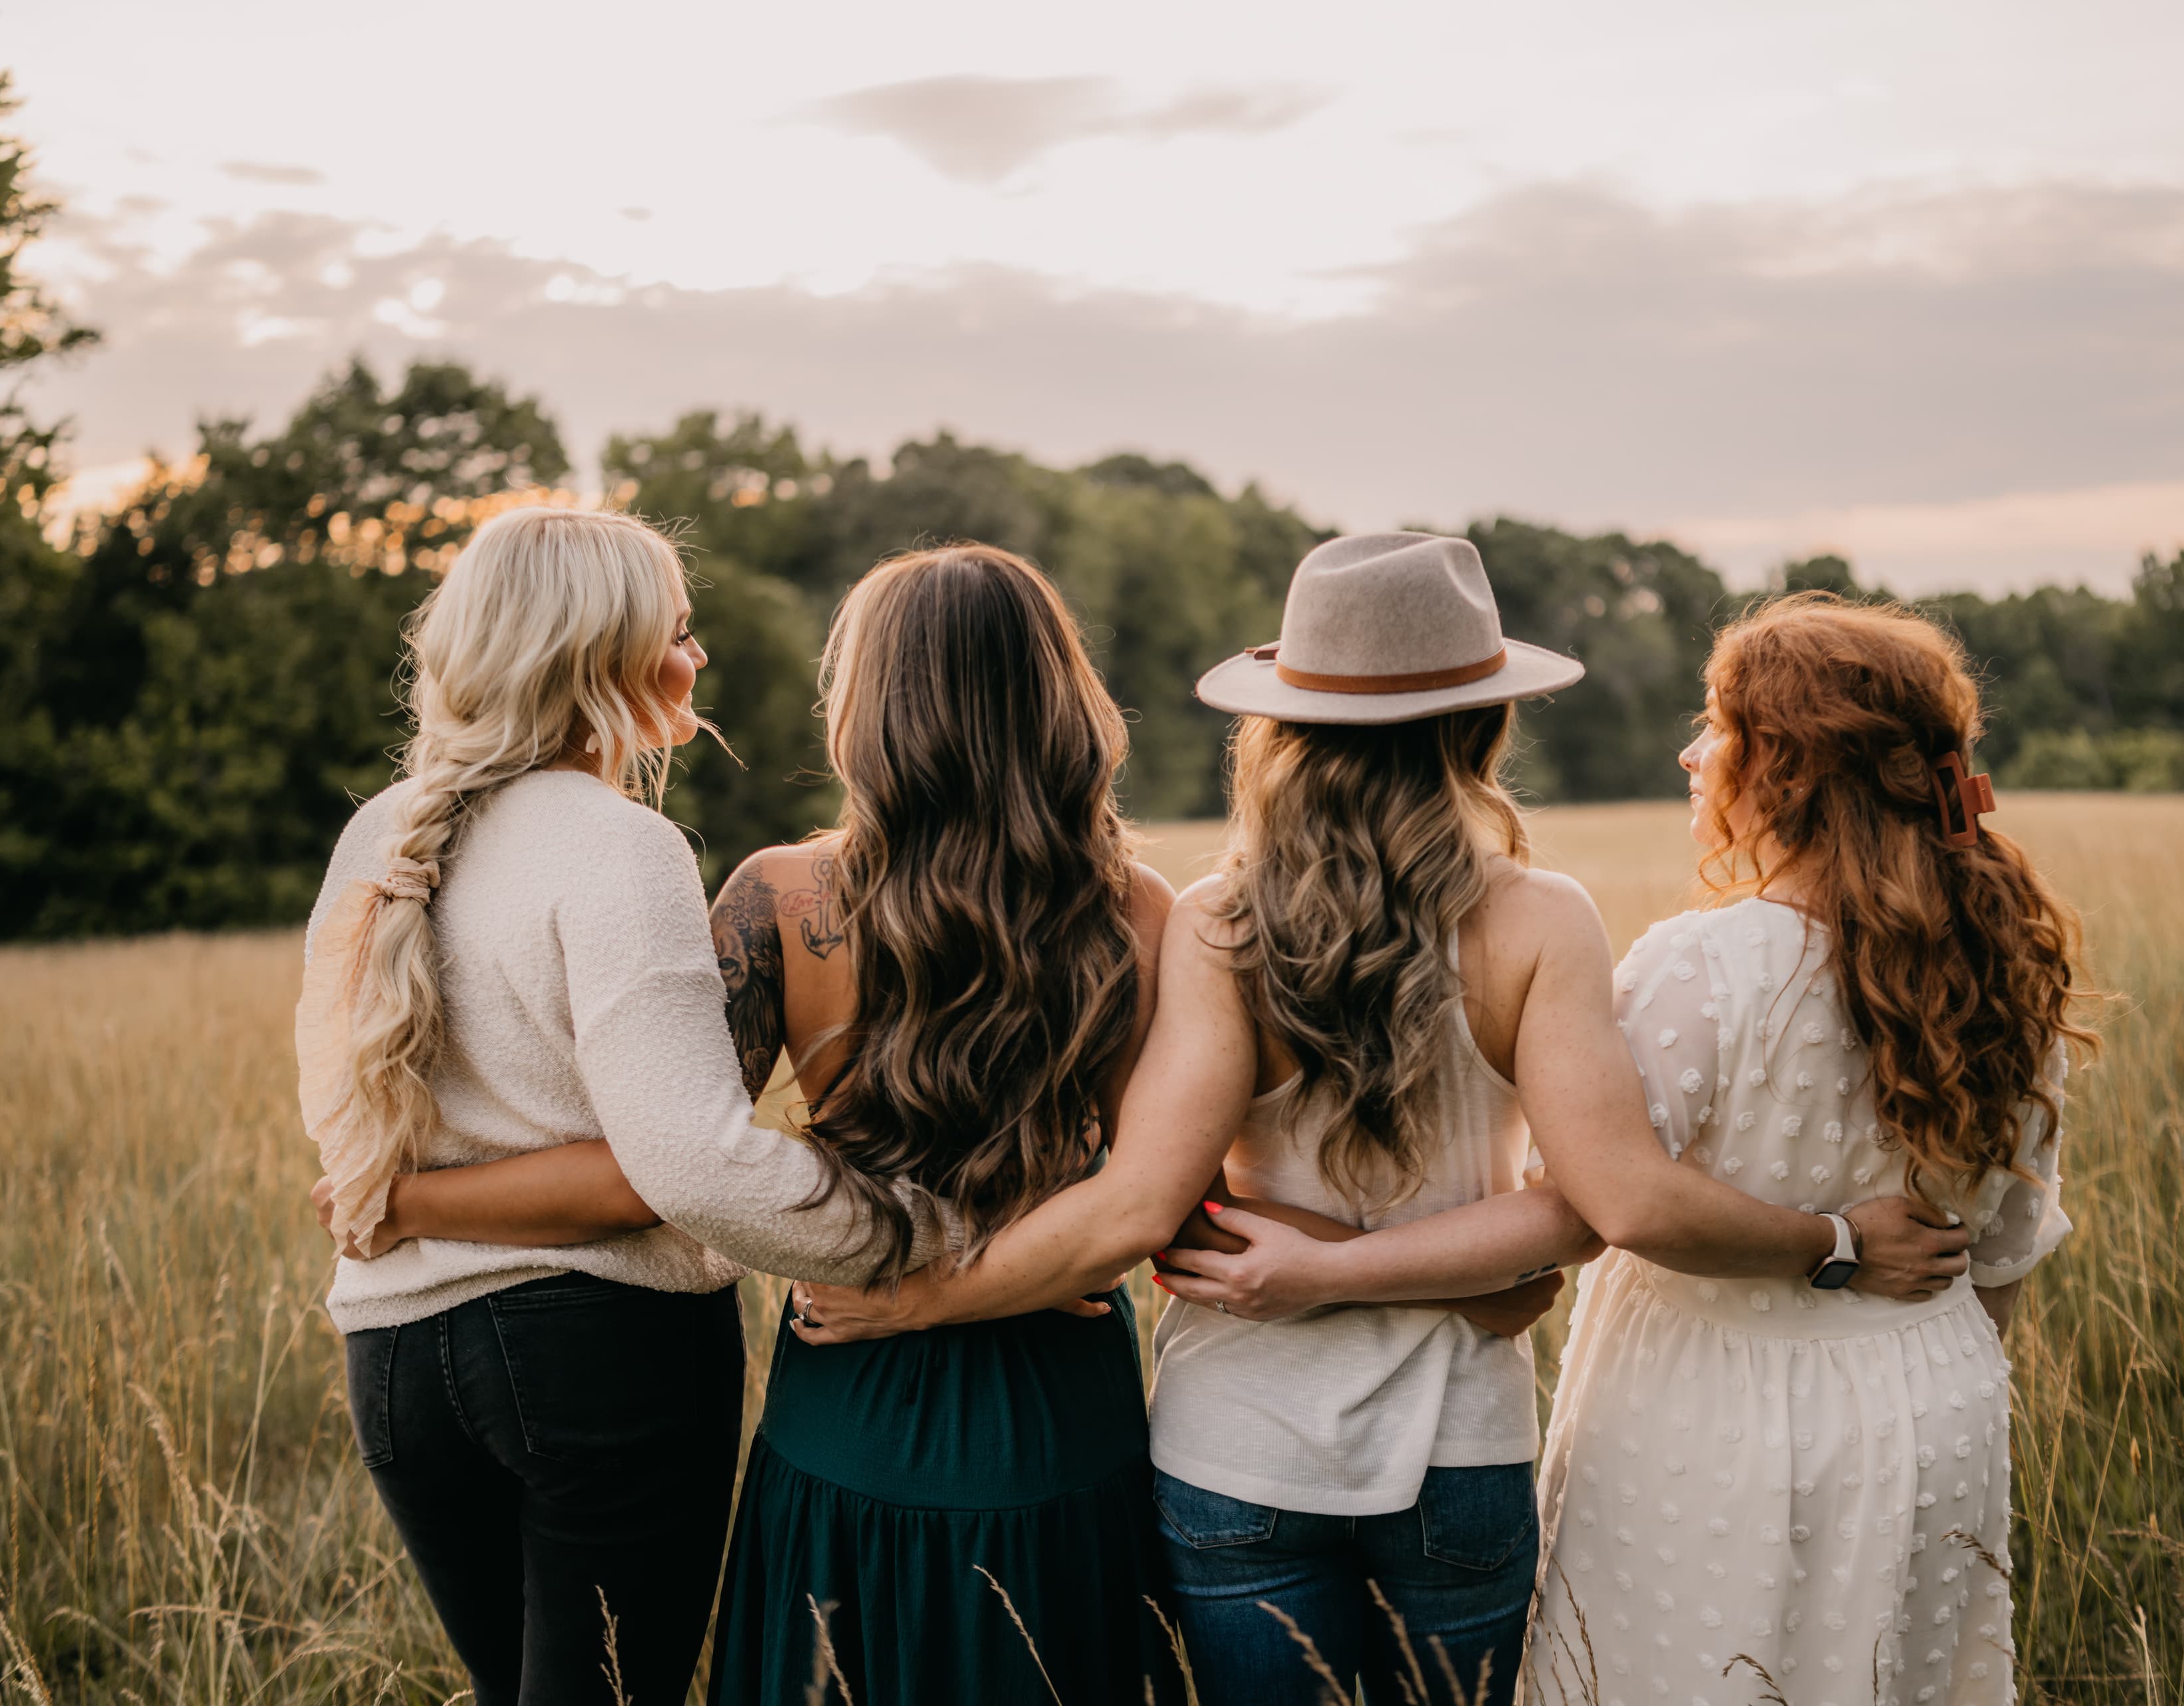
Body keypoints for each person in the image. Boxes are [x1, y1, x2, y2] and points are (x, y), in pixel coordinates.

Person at [795, 535, 1969, 1706]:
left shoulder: (1219, 924)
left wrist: (1305, 1268)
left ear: (1285, 724)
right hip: (1459, 1448)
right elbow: (1587, 1209)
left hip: (1235, 1449)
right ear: (1482, 724)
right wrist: (1446, 1276)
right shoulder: (1542, 921)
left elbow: (1155, 1203)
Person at [346, 546, 1196, 1703]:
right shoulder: (1142, 910)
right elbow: (1166, 1194)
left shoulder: (780, 900)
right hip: (1056, 1388)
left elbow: (649, 1168)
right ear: (1061, 694)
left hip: (847, 1378)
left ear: (863, 707)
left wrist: (410, 1198)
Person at [297, 507, 964, 1703]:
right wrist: (920, 1233)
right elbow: (684, 1166)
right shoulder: (622, 848)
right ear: (603, 658)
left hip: (392, 1361)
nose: (697, 661)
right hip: (593, 1360)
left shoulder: (377, 835)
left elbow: (352, 1148)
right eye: (681, 634)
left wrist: (404, 1207)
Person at [1512, 592, 2093, 1704]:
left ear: (1786, 769)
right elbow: (2004, 1259)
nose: (1693, 754)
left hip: (1710, 1418)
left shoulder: (1702, 967)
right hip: (1934, 1405)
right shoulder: (2001, 967)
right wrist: (1914, 1372)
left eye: (1718, 728)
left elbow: (1596, 1203)